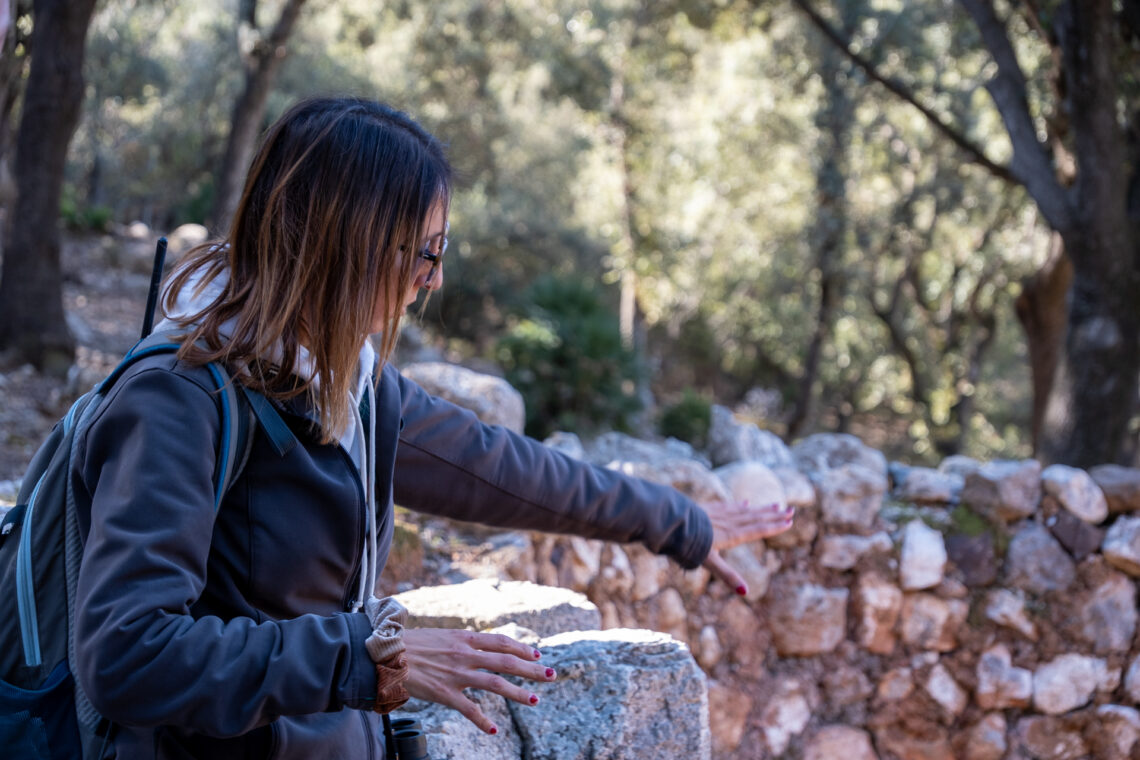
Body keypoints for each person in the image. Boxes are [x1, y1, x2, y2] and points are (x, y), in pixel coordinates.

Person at [71, 96, 793, 759]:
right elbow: (129, 654)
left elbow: (497, 466)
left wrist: (676, 520)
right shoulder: (180, 397)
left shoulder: (342, 379)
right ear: (348, 243)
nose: (434, 279)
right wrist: (372, 656)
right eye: (427, 251)